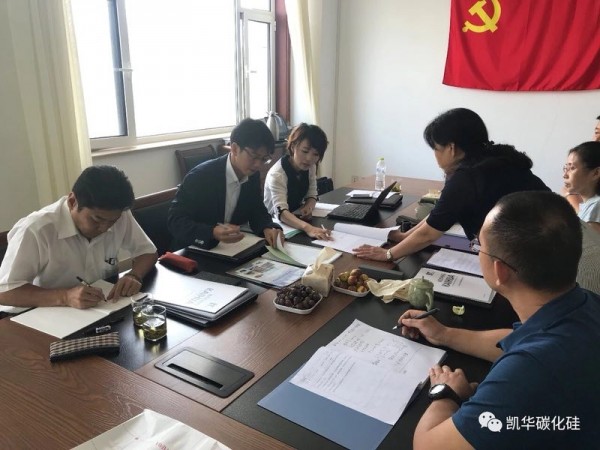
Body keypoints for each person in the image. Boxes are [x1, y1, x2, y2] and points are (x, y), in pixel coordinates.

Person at [398, 191, 600, 450]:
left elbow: (428, 446)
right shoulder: (585, 303)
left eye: (479, 246)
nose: (477, 250)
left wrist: (446, 393)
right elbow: (520, 341)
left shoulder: (530, 373)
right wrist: (444, 334)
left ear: (500, 271)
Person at [354, 108, 549, 262]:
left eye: (436, 148)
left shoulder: (467, 177)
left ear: (452, 148)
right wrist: (405, 237)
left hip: (527, 256)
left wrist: (388, 254)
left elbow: (429, 234)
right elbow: (441, 214)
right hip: (549, 240)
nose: (435, 155)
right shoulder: (496, 157)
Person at [0, 166, 158, 309]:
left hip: (99, 308)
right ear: (72, 202)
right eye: (97, 219)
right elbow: (5, 292)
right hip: (45, 313)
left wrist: (134, 275)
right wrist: (65, 297)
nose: (105, 228)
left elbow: (148, 252)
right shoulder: (36, 230)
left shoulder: (118, 214)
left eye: (112, 222)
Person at [168, 118, 284, 250]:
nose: (258, 164)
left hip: (228, 250)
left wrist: (268, 227)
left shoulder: (252, 175)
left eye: (264, 159)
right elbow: (175, 221)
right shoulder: (201, 176)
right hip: (192, 250)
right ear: (234, 148)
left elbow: (256, 209)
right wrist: (211, 232)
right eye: (254, 156)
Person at [263, 123, 332, 240]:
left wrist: (308, 207)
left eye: (316, 154)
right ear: (293, 146)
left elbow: (312, 194)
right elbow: (281, 212)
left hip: (296, 219)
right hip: (274, 225)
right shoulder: (278, 174)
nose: (309, 159)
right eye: (305, 151)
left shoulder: (311, 167)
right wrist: (309, 228)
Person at [563, 141, 600, 232]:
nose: (565, 175)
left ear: (596, 173)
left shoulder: (596, 210)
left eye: (572, 168)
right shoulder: (590, 205)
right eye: (566, 168)